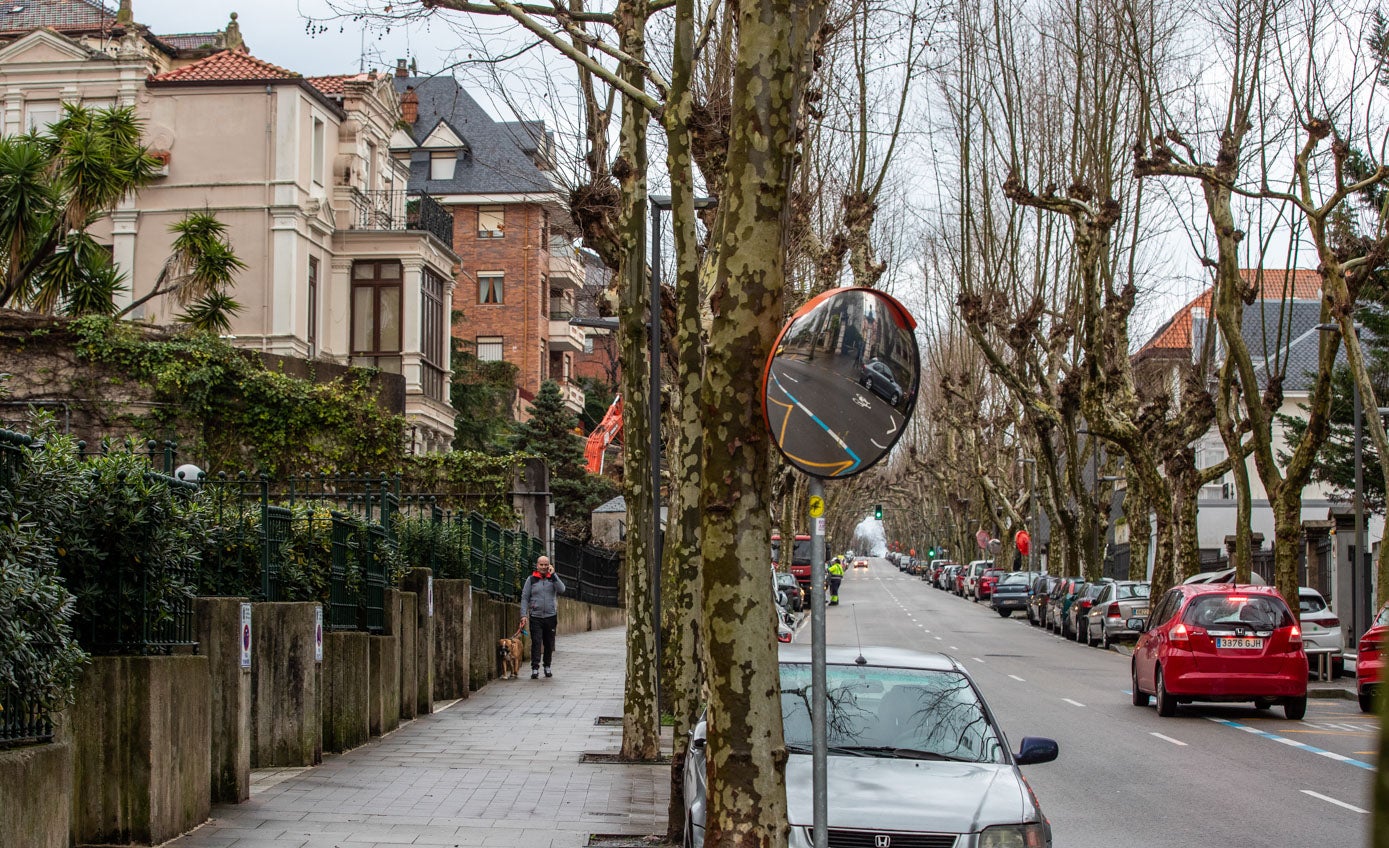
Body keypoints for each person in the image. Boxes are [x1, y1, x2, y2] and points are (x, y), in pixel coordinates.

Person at [519, 555, 566, 679]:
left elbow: (562, 589)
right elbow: (524, 598)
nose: (544, 567)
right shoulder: (531, 580)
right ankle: (535, 668)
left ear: (549, 565)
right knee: (536, 642)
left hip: (551, 616)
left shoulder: (553, 579)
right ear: (537, 565)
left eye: (546, 565)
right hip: (536, 616)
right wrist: (523, 615)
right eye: (541, 565)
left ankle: (547, 666)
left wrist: (554, 575)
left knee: (549, 643)